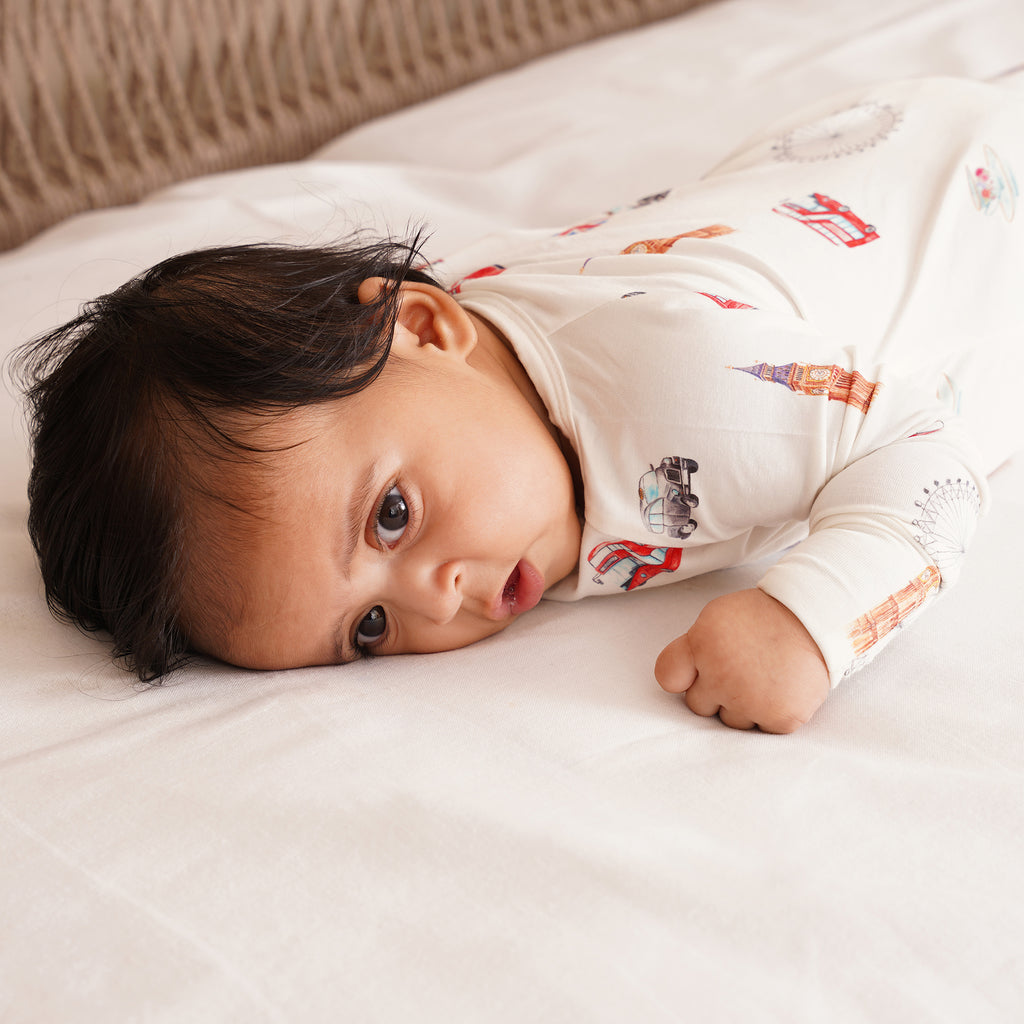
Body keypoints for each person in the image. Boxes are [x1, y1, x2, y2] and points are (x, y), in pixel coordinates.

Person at [14, 77, 1023, 732]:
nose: (434, 594)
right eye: (367, 628)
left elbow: (926, 447)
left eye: (392, 514)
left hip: (984, 201)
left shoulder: (688, 400)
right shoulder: (446, 365)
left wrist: (810, 620)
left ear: (426, 327)